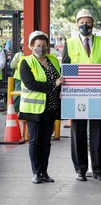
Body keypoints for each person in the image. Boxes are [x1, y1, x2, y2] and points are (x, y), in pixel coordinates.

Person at [62, 8, 101, 182]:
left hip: (97, 95)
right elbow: (65, 69)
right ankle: (80, 170)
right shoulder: (69, 44)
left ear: (93, 24)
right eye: (82, 22)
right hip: (76, 96)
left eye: (88, 22)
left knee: (96, 134)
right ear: (77, 24)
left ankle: (98, 170)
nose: (85, 25)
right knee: (77, 133)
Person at [19, 31, 63, 184]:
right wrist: (54, 85)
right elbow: (31, 84)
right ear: (31, 46)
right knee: (35, 141)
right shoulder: (26, 62)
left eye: (44, 45)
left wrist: (61, 90)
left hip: (50, 107)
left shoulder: (53, 60)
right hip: (34, 110)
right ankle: (36, 172)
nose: (41, 48)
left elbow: (61, 78)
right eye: (38, 45)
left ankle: (44, 172)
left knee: (46, 141)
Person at [10, 40, 24, 112]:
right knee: (17, 96)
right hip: (19, 78)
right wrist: (19, 61)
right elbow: (12, 65)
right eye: (23, 45)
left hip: (27, 79)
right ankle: (13, 112)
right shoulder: (18, 55)